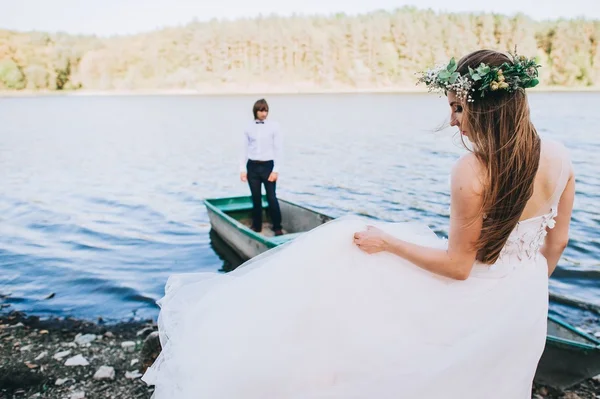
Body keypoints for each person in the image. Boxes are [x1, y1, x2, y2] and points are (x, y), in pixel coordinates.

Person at [142, 50, 575, 398]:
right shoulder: (560, 155)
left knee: (344, 248)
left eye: (457, 107)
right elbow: (556, 244)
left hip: (481, 290)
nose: (452, 120)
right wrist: (520, 285)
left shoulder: (473, 170)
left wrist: (387, 243)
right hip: (527, 297)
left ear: (484, 108)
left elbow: (459, 267)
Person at [239, 98, 283, 235]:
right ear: (256, 111)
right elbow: (243, 149)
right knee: (256, 197)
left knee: (271, 197)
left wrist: (276, 170)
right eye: (261, 111)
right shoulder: (248, 127)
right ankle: (256, 226)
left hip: (268, 166)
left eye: (266, 111)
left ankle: (277, 227)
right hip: (252, 166)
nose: (264, 114)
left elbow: (278, 149)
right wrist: (242, 169)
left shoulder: (274, 126)